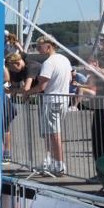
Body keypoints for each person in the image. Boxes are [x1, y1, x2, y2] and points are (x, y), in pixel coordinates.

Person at [33, 36, 72, 176]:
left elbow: (41, 86)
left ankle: (59, 165)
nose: (37, 49)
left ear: (48, 46)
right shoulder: (64, 59)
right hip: (63, 99)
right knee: (53, 133)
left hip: (52, 100)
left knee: (54, 134)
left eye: (39, 46)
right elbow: (70, 79)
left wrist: (26, 92)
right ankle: (53, 162)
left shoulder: (48, 63)